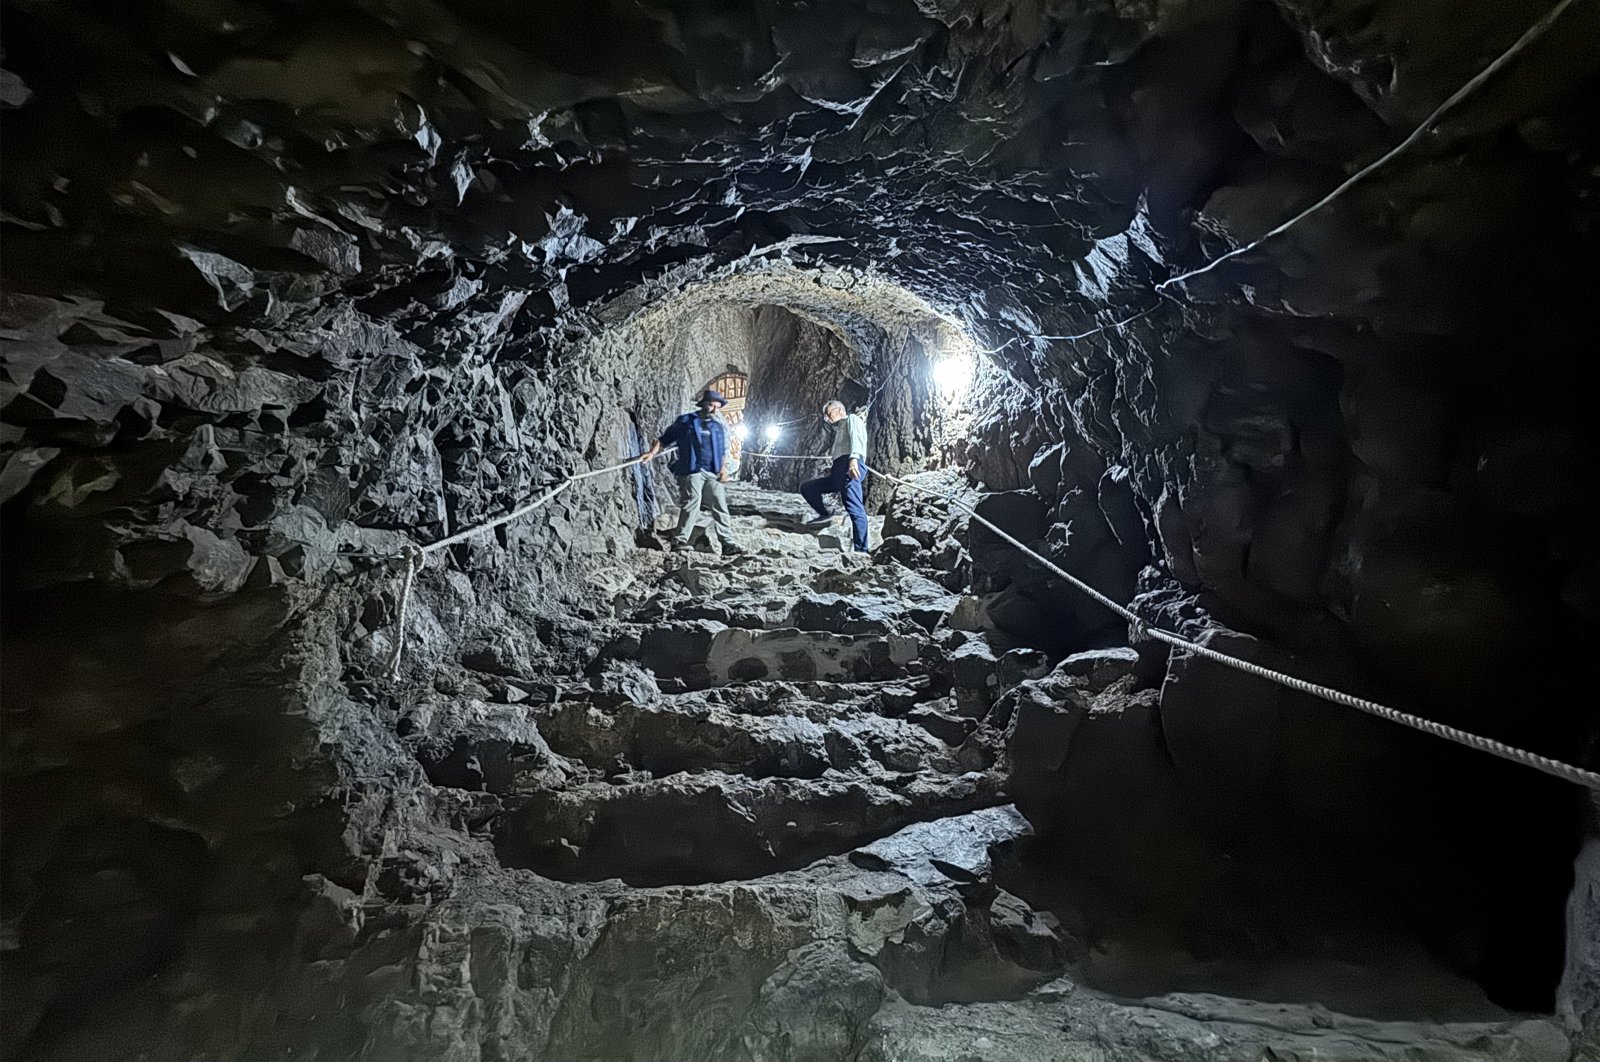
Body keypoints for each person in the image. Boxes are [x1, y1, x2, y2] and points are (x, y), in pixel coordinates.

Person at [643, 389, 746, 555]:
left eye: (716, 407)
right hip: (691, 470)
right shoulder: (686, 422)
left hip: (712, 471)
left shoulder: (717, 427)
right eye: (710, 405)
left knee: (720, 504)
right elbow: (664, 439)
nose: (713, 409)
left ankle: (727, 544)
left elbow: (722, 451)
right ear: (703, 404)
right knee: (693, 501)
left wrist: (723, 469)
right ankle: (679, 541)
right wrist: (652, 453)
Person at [801, 399, 870, 553]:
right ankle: (825, 515)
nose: (827, 418)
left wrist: (853, 462)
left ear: (839, 410)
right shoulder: (839, 429)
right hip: (839, 471)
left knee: (854, 508)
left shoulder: (852, 419)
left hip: (849, 467)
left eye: (829, 413)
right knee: (808, 487)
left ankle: (862, 550)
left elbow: (856, 440)